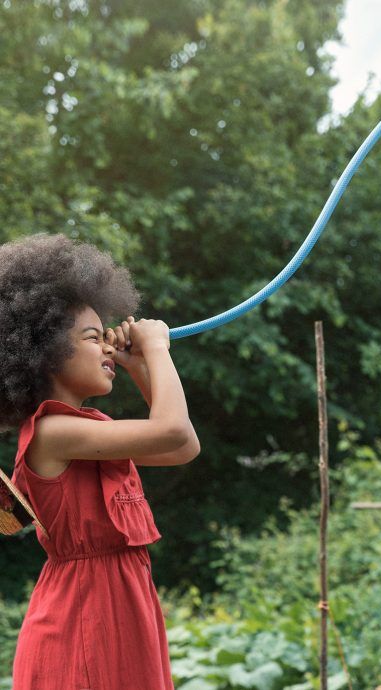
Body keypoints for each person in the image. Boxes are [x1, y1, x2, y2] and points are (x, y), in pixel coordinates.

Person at [0, 233, 201, 689]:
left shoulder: (88, 426)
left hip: (122, 607)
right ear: (46, 354)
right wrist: (158, 349)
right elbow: (169, 430)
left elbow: (182, 446)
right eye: (93, 338)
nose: (108, 348)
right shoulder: (53, 431)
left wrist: (141, 368)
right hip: (84, 617)